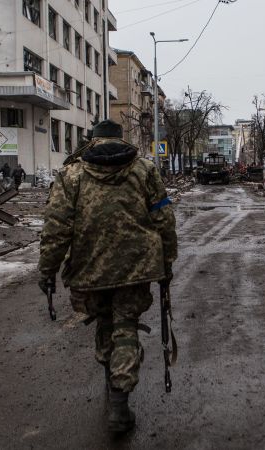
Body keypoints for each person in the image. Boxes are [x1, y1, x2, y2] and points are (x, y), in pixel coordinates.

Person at [38, 120, 177, 434]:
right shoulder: (145, 170)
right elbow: (164, 217)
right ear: (120, 139)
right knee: (125, 325)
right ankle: (119, 402)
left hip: (90, 268)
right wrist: (167, 261)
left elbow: (56, 228)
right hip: (137, 267)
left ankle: (112, 382)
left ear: (92, 141)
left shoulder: (70, 175)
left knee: (104, 322)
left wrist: (47, 269)